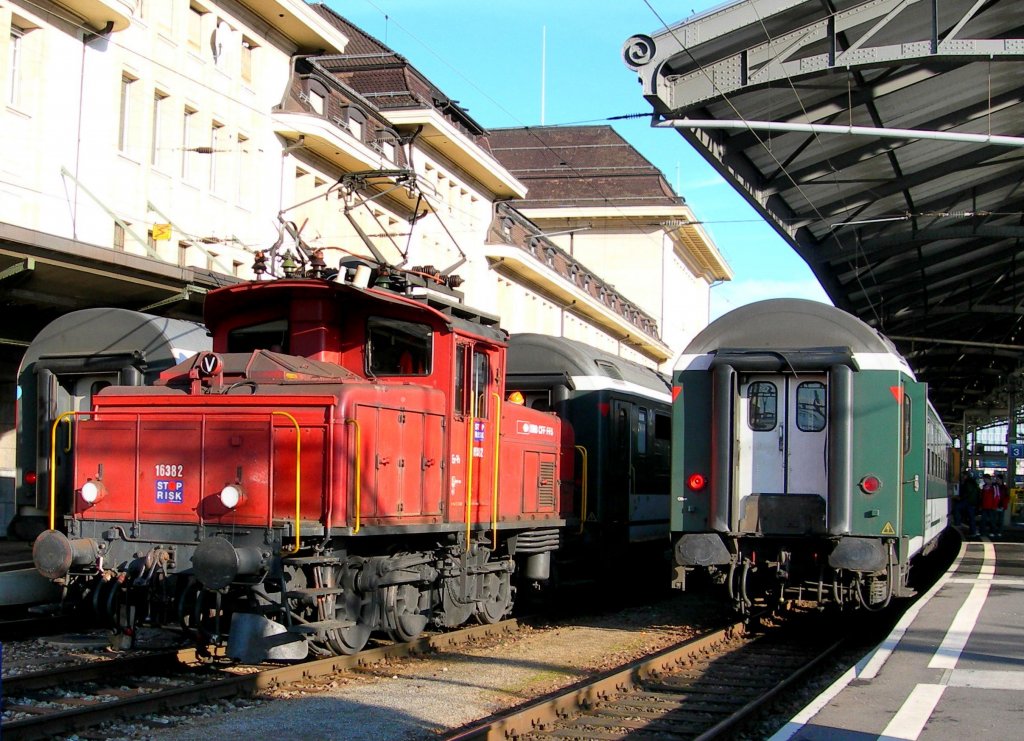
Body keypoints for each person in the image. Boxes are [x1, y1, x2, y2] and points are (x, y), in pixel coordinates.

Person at [958, 472, 981, 537]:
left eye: (963, 476)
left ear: (966, 476)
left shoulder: (968, 483)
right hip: (973, 502)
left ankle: (958, 523)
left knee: (957, 508)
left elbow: (967, 493)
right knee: (971, 517)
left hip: (969, 502)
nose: (962, 477)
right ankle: (973, 531)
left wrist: (961, 498)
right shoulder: (973, 483)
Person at [980, 473, 1001, 538]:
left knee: (992, 520)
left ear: (988, 479)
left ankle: (993, 532)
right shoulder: (984, 486)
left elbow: (997, 496)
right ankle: (983, 532)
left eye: (985, 479)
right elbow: (982, 496)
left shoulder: (994, 486)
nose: (984, 481)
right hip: (985, 506)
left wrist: (995, 505)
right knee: (983, 520)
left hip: (991, 506)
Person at [993, 473, 1009, 538]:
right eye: (996, 479)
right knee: (995, 519)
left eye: (998, 479)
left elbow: (1006, 497)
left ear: (1001, 480)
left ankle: (999, 531)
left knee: (1000, 519)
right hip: (996, 505)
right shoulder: (995, 486)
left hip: (1001, 505)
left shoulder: (1004, 487)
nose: (997, 480)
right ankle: (995, 531)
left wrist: (1004, 505)